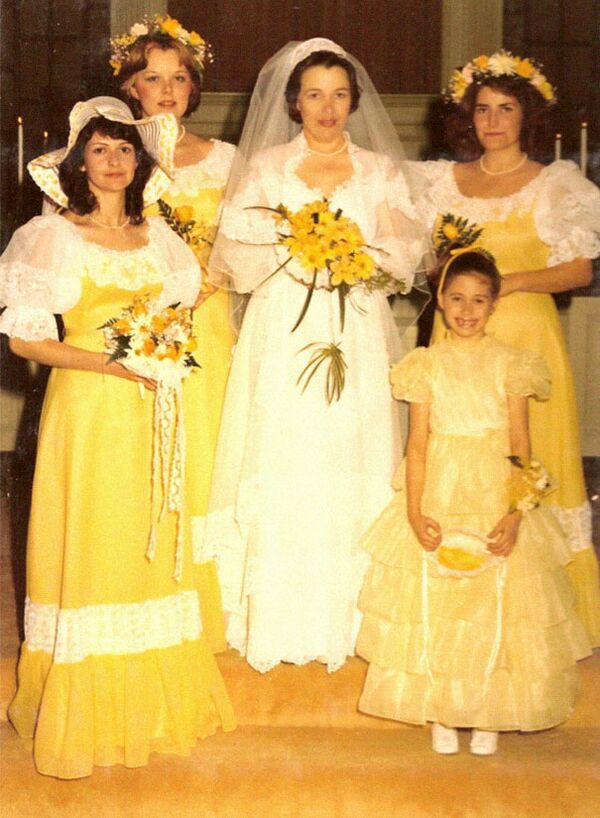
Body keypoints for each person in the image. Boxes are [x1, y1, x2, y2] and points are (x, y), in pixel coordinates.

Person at [1, 97, 235, 779]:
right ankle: (84, 715)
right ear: (78, 164)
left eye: (124, 149)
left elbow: (178, 318)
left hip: (153, 411)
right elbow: (26, 340)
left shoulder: (159, 237)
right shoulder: (52, 236)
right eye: (99, 150)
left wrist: (162, 358)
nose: (112, 161)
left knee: (145, 539)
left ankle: (151, 708)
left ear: (141, 163)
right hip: (88, 412)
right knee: (95, 539)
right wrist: (111, 363)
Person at [201, 38, 428, 673]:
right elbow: (235, 258)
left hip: (353, 326)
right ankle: (279, 616)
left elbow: (404, 257)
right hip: (284, 326)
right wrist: (296, 253)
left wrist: (352, 259)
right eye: (314, 95)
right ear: (294, 103)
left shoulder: (379, 171)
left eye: (339, 95)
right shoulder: (267, 168)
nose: (327, 108)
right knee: (287, 451)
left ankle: (352, 616)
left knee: (350, 451)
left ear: (354, 102)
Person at [357, 250, 591, 756]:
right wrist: (414, 511)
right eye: (457, 299)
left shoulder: (512, 363)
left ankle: (490, 710)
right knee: (443, 600)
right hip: (441, 485)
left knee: (495, 598)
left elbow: (522, 446)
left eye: (479, 300)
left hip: (494, 486)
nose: (467, 310)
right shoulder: (425, 365)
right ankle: (444, 708)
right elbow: (418, 445)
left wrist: (516, 513)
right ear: (441, 301)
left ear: (494, 304)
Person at [414, 50, 600, 645]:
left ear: (528, 117)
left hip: (524, 335)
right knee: (460, 461)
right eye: (483, 110)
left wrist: (508, 283)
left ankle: (546, 623)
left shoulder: (556, 184)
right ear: (467, 118)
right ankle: (462, 615)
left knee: (530, 458)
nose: (493, 121)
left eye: (506, 109)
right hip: (458, 339)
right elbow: (426, 265)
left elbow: (578, 269)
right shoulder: (441, 183)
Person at [112, 14, 236, 652]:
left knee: (206, 451)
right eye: (152, 78)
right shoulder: (112, 156)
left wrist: (210, 279)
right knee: (139, 456)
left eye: (178, 78)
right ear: (130, 87)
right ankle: (148, 596)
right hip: (142, 327)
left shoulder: (226, 160)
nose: (166, 90)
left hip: (208, 326)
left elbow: (251, 243)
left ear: (193, 87)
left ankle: (210, 612)